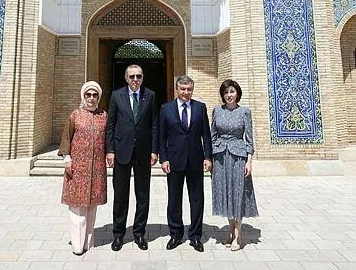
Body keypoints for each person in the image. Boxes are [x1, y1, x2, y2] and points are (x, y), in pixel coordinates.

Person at [106, 64, 158, 251]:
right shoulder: (116, 96)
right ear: (126, 78)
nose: (135, 80)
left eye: (139, 76)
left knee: (142, 195)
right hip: (122, 151)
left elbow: (154, 124)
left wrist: (154, 150)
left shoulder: (150, 95)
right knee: (120, 195)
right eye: (132, 76)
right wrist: (110, 150)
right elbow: (111, 125)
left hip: (143, 152)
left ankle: (139, 233)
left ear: (142, 77)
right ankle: (118, 234)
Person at [159, 75, 212, 252]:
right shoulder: (166, 109)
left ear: (192, 90)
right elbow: (161, 136)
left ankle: (195, 236)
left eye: (189, 89)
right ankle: (175, 234)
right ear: (177, 90)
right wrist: (164, 159)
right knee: (174, 199)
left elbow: (206, 134)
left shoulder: (200, 108)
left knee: (197, 199)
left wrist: (208, 157)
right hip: (174, 161)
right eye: (183, 89)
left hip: (195, 160)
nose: (186, 92)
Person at [58, 81, 107, 256]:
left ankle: (88, 242)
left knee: (92, 207)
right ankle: (77, 245)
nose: (91, 98)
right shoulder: (75, 115)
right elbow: (66, 138)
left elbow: (109, 138)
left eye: (95, 95)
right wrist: (67, 158)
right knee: (77, 207)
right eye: (88, 95)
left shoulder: (103, 116)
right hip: (77, 168)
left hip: (97, 169)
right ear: (83, 96)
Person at [211, 79, 259, 251]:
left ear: (237, 93)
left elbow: (249, 138)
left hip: (238, 157)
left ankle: (238, 235)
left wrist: (249, 161)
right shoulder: (217, 111)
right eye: (226, 92)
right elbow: (212, 135)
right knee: (225, 193)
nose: (229, 95)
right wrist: (209, 158)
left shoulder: (244, 111)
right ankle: (231, 230)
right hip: (220, 158)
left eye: (232, 91)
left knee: (237, 193)